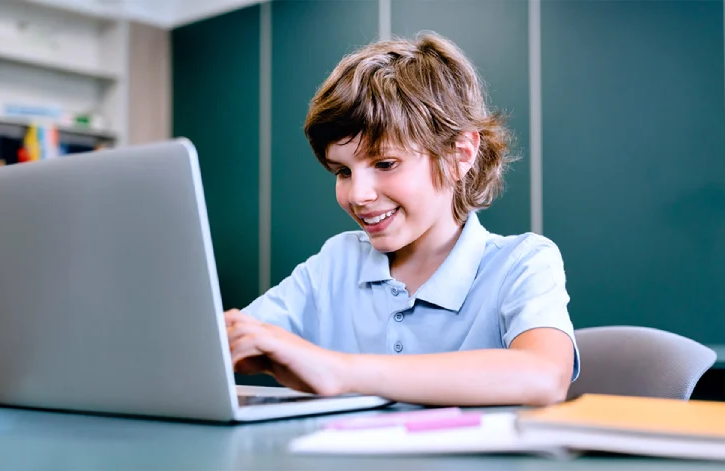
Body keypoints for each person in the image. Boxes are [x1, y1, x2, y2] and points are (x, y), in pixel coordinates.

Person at [225, 32, 579, 407]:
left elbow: (544, 376)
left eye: (385, 164)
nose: (357, 194)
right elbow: (234, 339)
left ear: (460, 155)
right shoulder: (337, 262)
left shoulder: (522, 262)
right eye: (342, 172)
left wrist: (340, 371)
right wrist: (234, 339)